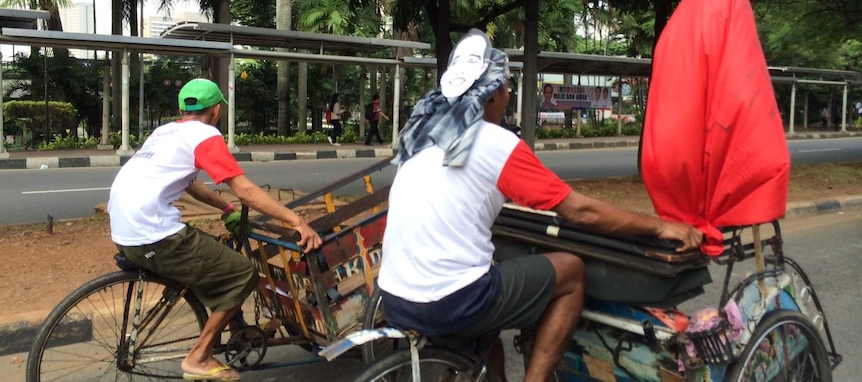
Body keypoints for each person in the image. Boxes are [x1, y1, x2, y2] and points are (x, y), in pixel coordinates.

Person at [379, 29, 703, 382]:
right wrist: (659, 226)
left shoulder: (425, 135)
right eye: (505, 87)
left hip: (394, 298)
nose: (507, 94)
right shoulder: (496, 143)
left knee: (489, 334)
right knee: (571, 272)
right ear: (495, 93)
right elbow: (579, 211)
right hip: (452, 301)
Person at [108, 78, 322, 381]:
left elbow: (190, 184)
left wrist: (225, 209)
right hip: (153, 234)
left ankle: (237, 332)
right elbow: (245, 190)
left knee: (218, 255)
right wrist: (296, 220)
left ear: (181, 109)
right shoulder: (205, 134)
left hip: (126, 233)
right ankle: (199, 356)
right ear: (217, 110)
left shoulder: (164, 132)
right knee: (242, 273)